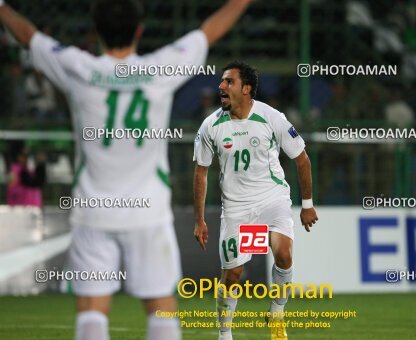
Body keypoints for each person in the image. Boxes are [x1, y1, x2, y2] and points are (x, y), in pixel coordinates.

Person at [0, 1, 252, 339]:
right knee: (161, 310)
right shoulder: (161, 67)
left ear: (96, 31)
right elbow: (209, 31)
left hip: (93, 211)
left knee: (92, 313)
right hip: (148, 212)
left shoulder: (78, 67)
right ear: (139, 30)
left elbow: (29, 35)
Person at [193, 61, 319, 340]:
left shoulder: (272, 118)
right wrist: (199, 219)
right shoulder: (210, 125)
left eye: (229, 82)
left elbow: (302, 159)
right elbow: (201, 173)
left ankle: (276, 313)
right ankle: (224, 333)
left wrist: (307, 206)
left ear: (246, 89)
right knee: (234, 273)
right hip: (237, 209)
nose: (221, 87)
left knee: (283, 253)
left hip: (271, 199)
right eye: (222, 82)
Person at [6, 140, 46, 208]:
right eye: (25, 155)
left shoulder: (21, 169)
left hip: (26, 206)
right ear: (18, 156)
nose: (27, 158)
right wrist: (41, 165)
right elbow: (35, 182)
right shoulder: (19, 170)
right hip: (23, 206)